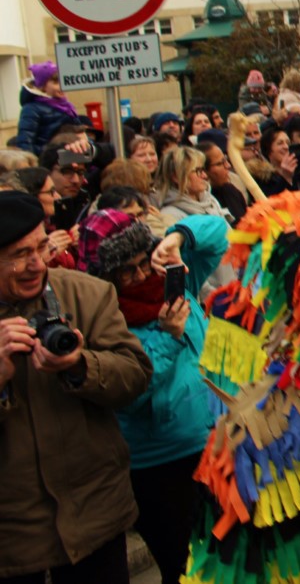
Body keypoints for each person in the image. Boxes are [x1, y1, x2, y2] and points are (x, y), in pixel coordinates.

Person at [0, 191, 152, 584]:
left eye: (42, 246)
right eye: (19, 254)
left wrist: (81, 366)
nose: (37, 264)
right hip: (13, 535)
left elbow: (135, 373)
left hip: (96, 515)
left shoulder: (86, 293)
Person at [76, 209, 224, 584]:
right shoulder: (102, 318)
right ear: (107, 276)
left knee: (232, 560)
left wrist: (176, 239)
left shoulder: (175, 281)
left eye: (145, 262)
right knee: (184, 566)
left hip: (216, 441)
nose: (141, 275)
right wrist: (167, 337)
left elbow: (220, 232)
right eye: (127, 270)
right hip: (161, 464)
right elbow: (127, 393)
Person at [16, 62, 79, 157]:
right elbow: (25, 143)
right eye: (56, 82)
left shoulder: (67, 106)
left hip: (71, 156)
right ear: (43, 86)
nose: (62, 87)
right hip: (48, 161)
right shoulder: (31, 109)